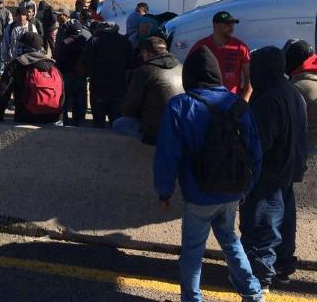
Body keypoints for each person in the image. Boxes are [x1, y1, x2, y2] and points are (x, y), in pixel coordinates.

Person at [154, 46, 263, 302]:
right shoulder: (238, 105)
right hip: (232, 191)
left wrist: (164, 191)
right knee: (229, 239)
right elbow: (255, 152)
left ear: (189, 75)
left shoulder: (179, 106)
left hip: (198, 193)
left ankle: (192, 298)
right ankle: (252, 292)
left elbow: (167, 155)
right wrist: (247, 188)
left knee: (193, 249)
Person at [240, 46, 307, 292]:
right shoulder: (292, 91)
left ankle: (259, 278)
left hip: (268, 174)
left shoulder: (268, 99)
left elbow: (259, 143)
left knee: (261, 226)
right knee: (285, 225)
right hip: (289, 171)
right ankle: (282, 268)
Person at [114, 36, 184, 144]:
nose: (143, 58)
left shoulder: (144, 71)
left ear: (147, 53)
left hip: (155, 132)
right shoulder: (181, 68)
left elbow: (130, 107)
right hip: (179, 128)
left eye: (143, 55)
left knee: (120, 123)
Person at [0, 32, 64, 125]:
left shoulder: (17, 64)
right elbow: (62, 93)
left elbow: (3, 91)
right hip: (55, 118)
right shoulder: (52, 65)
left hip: (26, 117)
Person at [80, 21, 134, 128]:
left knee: (98, 122)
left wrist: (91, 74)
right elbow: (130, 64)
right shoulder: (125, 41)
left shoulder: (94, 40)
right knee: (116, 121)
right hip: (119, 87)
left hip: (98, 86)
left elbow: (87, 61)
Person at [189, 11, 252, 101]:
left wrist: (244, 102)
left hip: (231, 103)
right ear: (215, 25)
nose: (231, 27)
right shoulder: (201, 46)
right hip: (206, 102)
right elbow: (189, 73)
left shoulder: (240, 47)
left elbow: (249, 77)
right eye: (226, 24)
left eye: (232, 24)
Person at [54, 19, 89, 127]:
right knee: (79, 100)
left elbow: (59, 59)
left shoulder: (66, 42)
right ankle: (78, 122)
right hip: (81, 75)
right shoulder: (85, 41)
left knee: (65, 100)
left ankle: (64, 121)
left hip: (67, 75)